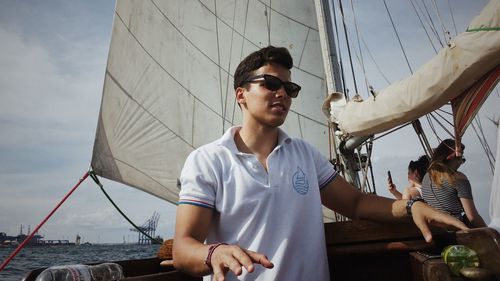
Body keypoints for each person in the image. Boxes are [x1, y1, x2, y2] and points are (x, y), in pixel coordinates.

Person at [172, 46, 467, 281]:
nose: (282, 94)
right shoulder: (208, 161)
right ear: (241, 95)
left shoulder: (304, 154)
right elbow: (184, 248)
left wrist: (413, 207)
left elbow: (355, 203)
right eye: (271, 83)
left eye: (290, 89)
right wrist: (215, 253)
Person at [421, 139, 487, 228]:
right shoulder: (459, 178)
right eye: (461, 158)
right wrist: (490, 232)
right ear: (452, 157)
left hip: (433, 229)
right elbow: (472, 217)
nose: (462, 162)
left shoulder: (426, 177)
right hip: (454, 229)